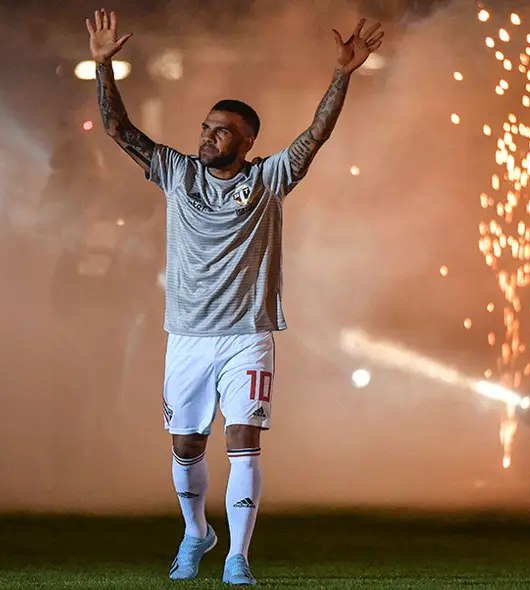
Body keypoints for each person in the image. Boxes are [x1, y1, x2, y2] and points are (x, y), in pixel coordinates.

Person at [85, 8, 383, 585]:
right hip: (188, 336)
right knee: (186, 446)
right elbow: (119, 131)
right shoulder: (176, 173)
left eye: (221, 130)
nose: (207, 136)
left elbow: (315, 135)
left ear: (247, 142)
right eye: (205, 126)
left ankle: (238, 558)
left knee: (243, 440)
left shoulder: (268, 180)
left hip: (248, 334)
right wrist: (104, 67)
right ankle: (197, 532)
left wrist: (342, 75)